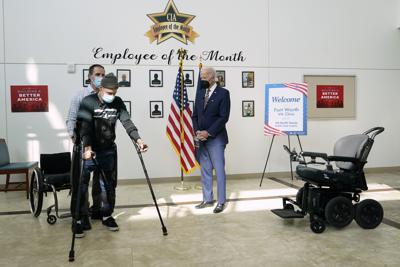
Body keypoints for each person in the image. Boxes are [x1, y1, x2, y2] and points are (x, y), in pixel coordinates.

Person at [73, 73, 148, 237]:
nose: (112, 96)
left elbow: (126, 121)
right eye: (109, 92)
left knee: (108, 186)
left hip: (108, 150)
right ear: (100, 88)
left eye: (114, 92)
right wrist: (87, 147)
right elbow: (84, 128)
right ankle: (78, 220)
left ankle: (107, 216)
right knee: (82, 185)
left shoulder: (117, 102)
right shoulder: (88, 102)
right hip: (88, 149)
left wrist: (138, 139)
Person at [67, 64, 105, 228]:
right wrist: (74, 137)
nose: (100, 77)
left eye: (103, 74)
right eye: (97, 74)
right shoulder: (80, 95)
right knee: (81, 181)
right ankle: (79, 217)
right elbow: (71, 118)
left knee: (101, 181)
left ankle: (97, 211)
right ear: (90, 76)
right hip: (83, 144)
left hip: (102, 146)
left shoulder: (106, 96)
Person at [192, 67, 231, 213]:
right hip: (201, 139)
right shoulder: (200, 93)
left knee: (219, 171)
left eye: (204, 76)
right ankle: (207, 199)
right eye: (201, 76)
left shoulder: (223, 93)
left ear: (213, 77)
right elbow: (195, 115)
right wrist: (197, 132)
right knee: (205, 171)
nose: (202, 78)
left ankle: (221, 202)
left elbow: (223, 117)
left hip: (216, 139)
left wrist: (208, 133)